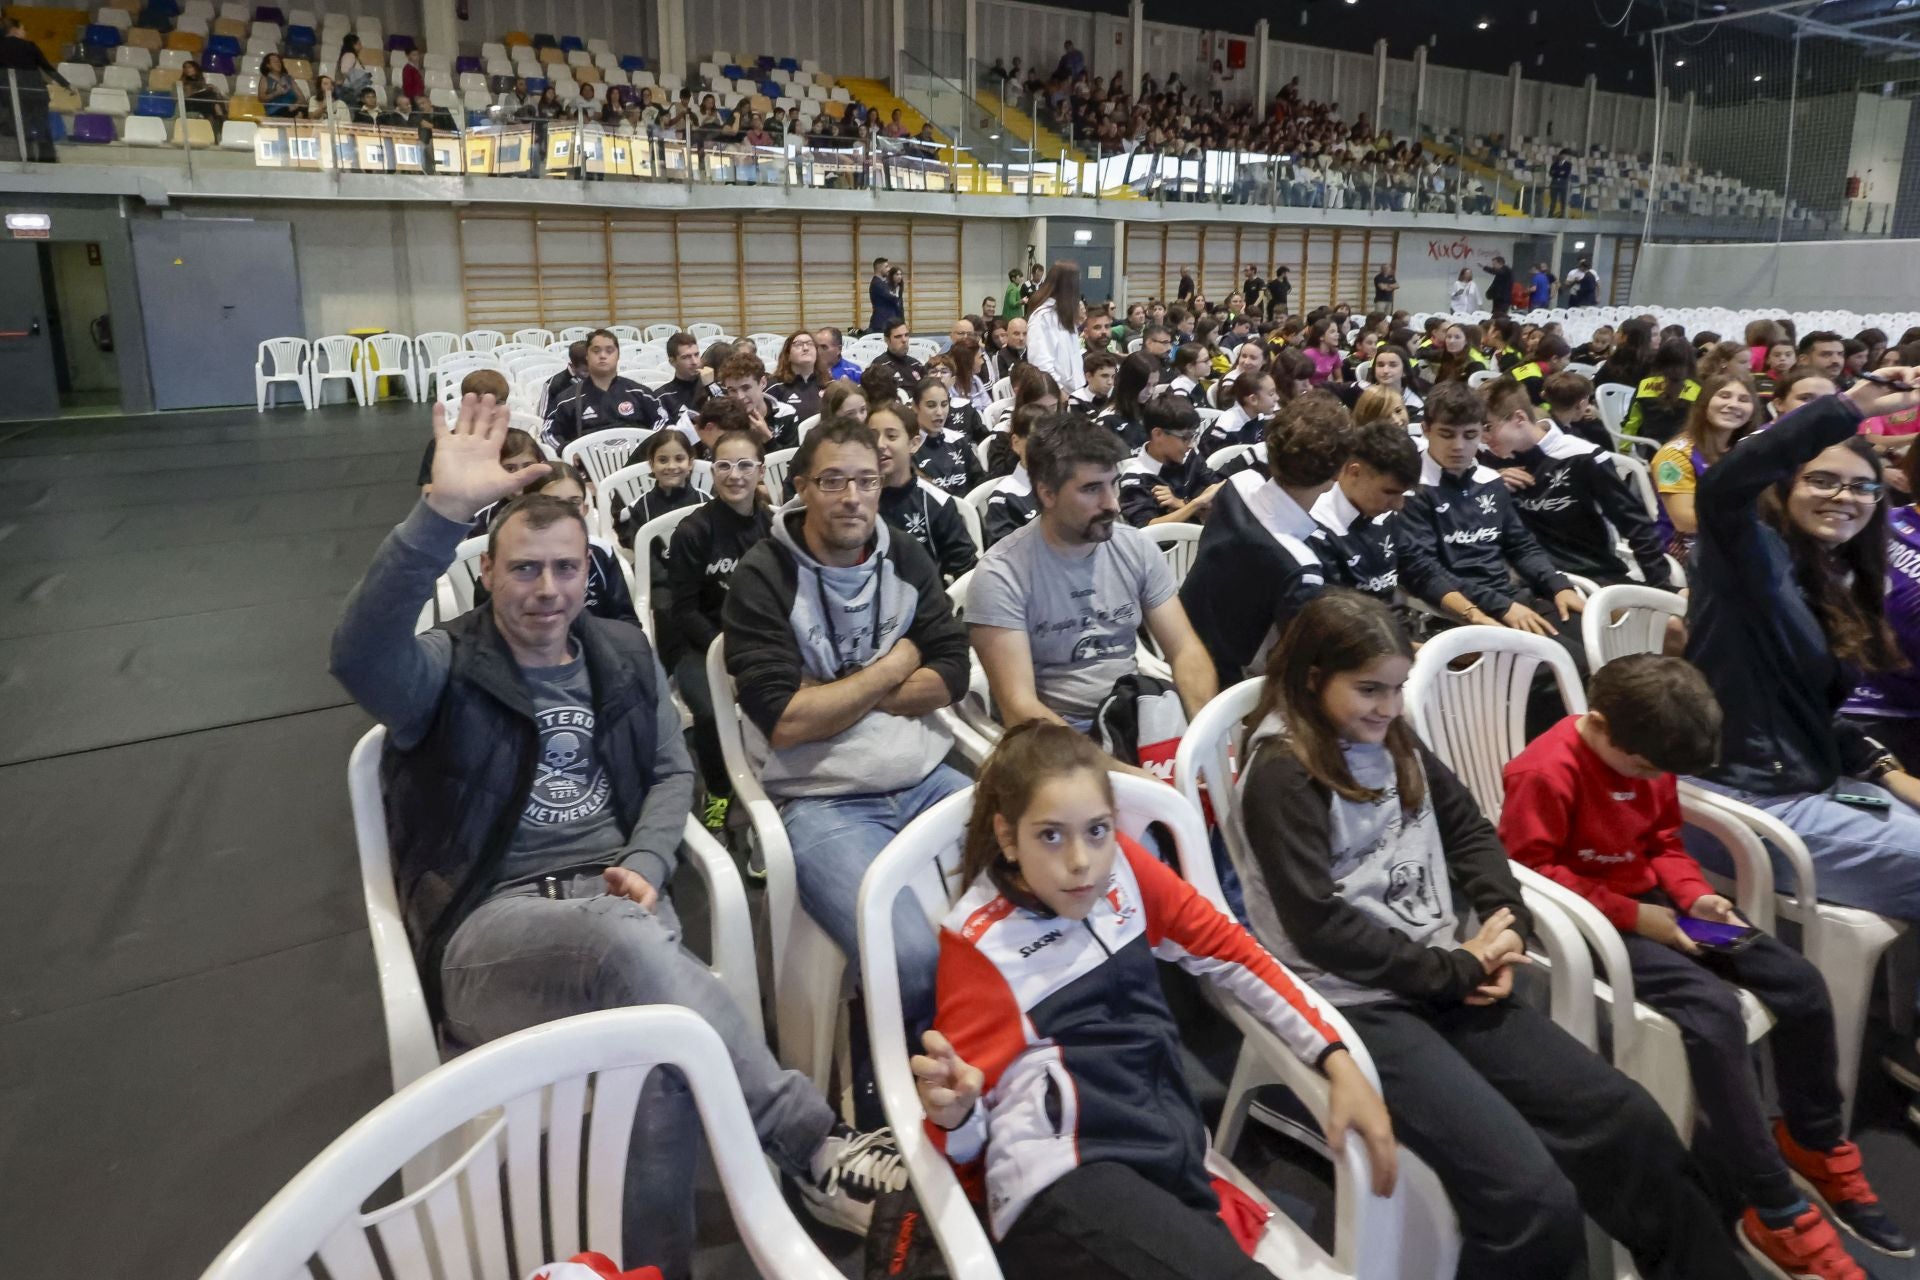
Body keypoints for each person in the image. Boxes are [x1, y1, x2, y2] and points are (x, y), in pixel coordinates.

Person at [331, 398, 907, 1265]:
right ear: (487, 573)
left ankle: (650, 1266)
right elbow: (358, 654)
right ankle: (814, 1145)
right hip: (494, 928)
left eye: (565, 569)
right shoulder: (444, 669)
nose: (548, 590)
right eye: (525, 570)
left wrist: (644, 857)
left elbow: (676, 772)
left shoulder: (619, 652)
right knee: (624, 946)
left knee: (660, 1070)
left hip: (621, 902)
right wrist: (436, 516)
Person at [1235, 590, 1748, 1280]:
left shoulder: (1391, 735)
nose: (1387, 708)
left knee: (1627, 1120)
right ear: (1309, 678)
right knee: (1530, 1199)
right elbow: (1321, 929)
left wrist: (1505, 928)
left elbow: (1470, 828)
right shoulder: (1282, 773)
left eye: (1396, 689)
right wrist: (1460, 968)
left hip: (1444, 970)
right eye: (1368, 690)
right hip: (1354, 1003)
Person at [915, 721, 1395, 1280]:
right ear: (1007, 837)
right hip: (1062, 1179)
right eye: (1050, 835)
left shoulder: (1124, 870)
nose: (1081, 861)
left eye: (1097, 830)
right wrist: (956, 1114)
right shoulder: (978, 945)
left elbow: (1233, 952)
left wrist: (1336, 1056)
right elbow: (968, 1150)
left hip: (1163, 1151)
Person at [1503, 656, 1910, 1276]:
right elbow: (1532, 874)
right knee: (1713, 1013)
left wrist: (1694, 896)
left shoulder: (1647, 755)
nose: (1649, 777)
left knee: (1799, 983)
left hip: (1660, 908)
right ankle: (1773, 1210)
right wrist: (1642, 920)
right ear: (1602, 725)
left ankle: (1815, 1139)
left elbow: (1663, 841)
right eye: (1640, 767)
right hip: (1594, 925)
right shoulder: (1543, 773)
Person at [1680, 367, 1920, 1093]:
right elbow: (1723, 483)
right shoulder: (1750, 556)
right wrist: (1848, 407)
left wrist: (1893, 776)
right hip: (1739, 807)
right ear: (1785, 486)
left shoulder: (1829, 575)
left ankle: (1904, 1030)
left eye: (1860, 488)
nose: (1843, 499)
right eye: (1822, 481)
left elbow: (1818, 716)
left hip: (1806, 784)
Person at [721, 418, 972, 1032]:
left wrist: (836, 697)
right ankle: (902, 1082)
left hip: (926, 779)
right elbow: (784, 721)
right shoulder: (763, 576)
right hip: (820, 801)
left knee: (1037, 900)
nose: (853, 497)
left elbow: (954, 674)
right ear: (802, 486)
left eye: (866, 480)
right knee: (910, 955)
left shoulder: (904, 555)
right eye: (833, 481)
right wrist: (898, 661)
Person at [968, 414, 1218, 737]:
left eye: (1112, 483)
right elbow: (1020, 708)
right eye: (1091, 489)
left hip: (1132, 711)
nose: (1112, 504)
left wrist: (1204, 740)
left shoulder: (1135, 548)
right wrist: (1122, 773)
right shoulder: (1001, 575)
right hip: (1057, 738)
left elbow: (1185, 649)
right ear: (1047, 494)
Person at [1398, 382, 1587, 727]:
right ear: (1426, 431)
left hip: (1511, 599)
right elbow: (1424, 572)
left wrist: (1557, 584)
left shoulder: (1489, 480)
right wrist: (1500, 608)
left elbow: (1521, 545)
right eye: (1446, 435)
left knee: (1594, 640)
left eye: (1470, 435)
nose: (1459, 446)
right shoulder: (1412, 490)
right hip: (1459, 613)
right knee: (1564, 664)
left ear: (1482, 434)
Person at [1180, 394, 1349, 687]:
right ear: (1337, 474)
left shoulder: (1237, 484)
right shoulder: (1301, 566)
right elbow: (1293, 662)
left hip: (1181, 639)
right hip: (1228, 684)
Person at [1479, 376, 1674, 589]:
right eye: (1477, 429)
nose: (1482, 438)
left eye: (1488, 427)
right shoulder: (1487, 461)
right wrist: (1493, 481)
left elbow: (1635, 525)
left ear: (1519, 418)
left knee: (1672, 616)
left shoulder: (1581, 456)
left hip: (1587, 572)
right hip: (1525, 577)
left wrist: (1661, 585)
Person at [472, 462, 638, 627]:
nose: (564, 512)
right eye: (551, 502)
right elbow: (486, 630)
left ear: (585, 509)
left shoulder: (601, 552)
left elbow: (625, 619)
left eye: (574, 503)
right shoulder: (503, 559)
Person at [1310, 417, 1421, 611]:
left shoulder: (1384, 513)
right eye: (1389, 492)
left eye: (1403, 494)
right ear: (1354, 472)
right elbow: (1339, 621)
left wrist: (1473, 614)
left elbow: (1421, 569)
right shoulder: (1316, 528)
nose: (1398, 505)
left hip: (1397, 628)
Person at [1651, 372, 1762, 563]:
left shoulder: (1745, 449)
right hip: (1686, 547)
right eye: (1724, 396)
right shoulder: (1674, 455)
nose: (1734, 404)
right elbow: (1685, 522)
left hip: (1738, 537)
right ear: (1704, 403)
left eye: (1744, 399)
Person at [871, 401, 977, 581]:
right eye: (872, 436)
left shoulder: (937, 503)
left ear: (914, 444)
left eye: (891, 436)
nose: (880, 444)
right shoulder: (857, 499)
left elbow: (966, 572)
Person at [543, 329, 665, 449]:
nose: (602, 355)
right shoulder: (567, 400)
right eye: (596, 351)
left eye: (609, 351)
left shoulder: (640, 393)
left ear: (618, 355)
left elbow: (662, 421)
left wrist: (650, 447)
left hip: (635, 463)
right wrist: (566, 449)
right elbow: (548, 433)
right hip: (588, 466)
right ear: (587, 356)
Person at [1117, 396, 1221, 528]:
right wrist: (1196, 504)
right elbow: (1147, 528)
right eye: (1185, 437)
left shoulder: (1190, 456)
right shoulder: (1135, 478)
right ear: (1158, 434)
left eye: (1193, 436)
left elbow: (1218, 492)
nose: (1190, 444)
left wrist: (1180, 503)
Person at [0, 16, 69, 162]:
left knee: (19, 128)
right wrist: (65, 84)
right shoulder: (29, 46)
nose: (24, 32)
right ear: (14, 30)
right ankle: (47, 159)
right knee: (42, 126)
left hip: (10, 95)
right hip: (34, 93)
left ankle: (25, 158)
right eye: (23, 28)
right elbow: (47, 68)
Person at [906, 376, 985, 498]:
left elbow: (980, 480)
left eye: (944, 404)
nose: (939, 412)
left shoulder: (958, 440)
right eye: (931, 405)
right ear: (915, 407)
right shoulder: (909, 448)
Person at [981, 404, 1044, 547]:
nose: (1044, 448)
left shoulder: (1061, 483)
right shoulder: (1003, 498)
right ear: (1016, 443)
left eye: (1049, 440)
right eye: (1036, 441)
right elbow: (1003, 558)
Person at [1024, 260, 1087, 398]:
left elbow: (1070, 354)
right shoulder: (1042, 317)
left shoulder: (1064, 315)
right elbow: (1040, 361)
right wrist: (1059, 390)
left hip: (1076, 391)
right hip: (1059, 395)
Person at [1622, 337, 1701, 446]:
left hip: (1650, 450)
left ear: (1659, 358)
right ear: (1690, 362)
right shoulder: (1696, 389)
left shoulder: (1644, 384)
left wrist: (1624, 448)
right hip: (1682, 451)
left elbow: (1632, 422)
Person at [717, 351, 800, 452]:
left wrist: (768, 439)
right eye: (732, 390)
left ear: (763, 383)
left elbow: (791, 464)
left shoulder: (786, 413)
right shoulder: (723, 418)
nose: (740, 397)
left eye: (746, 388)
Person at [1096, 351, 1159, 450]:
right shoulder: (1108, 420)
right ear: (1130, 383)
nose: (1150, 391)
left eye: (1154, 385)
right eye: (1145, 385)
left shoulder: (1151, 410)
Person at [868, 318, 923, 387]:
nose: (904, 340)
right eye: (898, 336)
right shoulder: (879, 366)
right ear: (887, 340)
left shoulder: (916, 364)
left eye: (906, 335)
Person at [1071, 350, 1120, 416]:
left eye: (1113, 376)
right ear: (1089, 376)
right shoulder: (1077, 399)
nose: (1110, 382)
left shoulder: (1116, 393)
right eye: (1104, 376)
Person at [866, 256, 901, 335]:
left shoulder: (882, 283)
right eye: (886, 267)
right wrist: (896, 292)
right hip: (881, 324)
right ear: (879, 268)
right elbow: (893, 299)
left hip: (886, 322)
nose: (889, 269)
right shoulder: (877, 284)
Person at [1548, 149, 1574, 217]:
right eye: (1562, 155)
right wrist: (1560, 173)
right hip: (1554, 183)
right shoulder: (1554, 164)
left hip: (1563, 184)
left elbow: (1566, 174)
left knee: (1563, 200)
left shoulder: (1568, 164)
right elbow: (1551, 173)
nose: (1563, 156)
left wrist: (1556, 173)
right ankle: (1550, 214)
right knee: (1553, 200)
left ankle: (1563, 215)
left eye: (1564, 155)